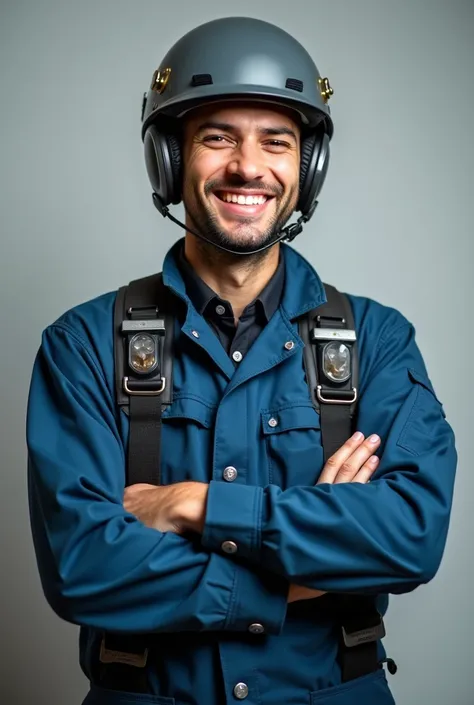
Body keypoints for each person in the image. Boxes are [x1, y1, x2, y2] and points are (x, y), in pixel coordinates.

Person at [26, 16, 457, 705]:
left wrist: (196, 505)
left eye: (276, 142)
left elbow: (410, 535)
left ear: (306, 168)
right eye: (217, 137)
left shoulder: (377, 341)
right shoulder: (82, 344)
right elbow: (83, 568)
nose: (247, 167)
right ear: (170, 159)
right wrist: (315, 546)